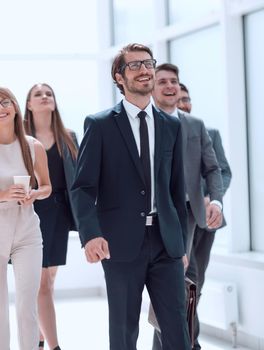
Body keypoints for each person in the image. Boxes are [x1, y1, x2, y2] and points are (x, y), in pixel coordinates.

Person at [72, 43, 191, 350]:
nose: (144, 70)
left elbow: (176, 190)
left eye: (148, 63)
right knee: (124, 330)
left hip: (166, 242)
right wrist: (90, 234)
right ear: (119, 77)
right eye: (135, 65)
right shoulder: (99, 125)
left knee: (177, 328)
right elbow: (83, 187)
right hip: (119, 242)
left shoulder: (171, 126)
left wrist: (182, 243)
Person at [152, 63, 224, 350]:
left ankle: (185, 345)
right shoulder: (145, 123)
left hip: (189, 216)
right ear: (152, 87)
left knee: (187, 285)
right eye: (163, 82)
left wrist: (215, 200)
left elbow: (214, 168)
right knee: (170, 285)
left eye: (175, 82)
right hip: (155, 215)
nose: (170, 86)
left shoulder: (195, 125)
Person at [178, 82, 232, 350]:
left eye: (187, 99)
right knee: (184, 284)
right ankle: (190, 343)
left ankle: (174, 341)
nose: (184, 103)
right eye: (179, 99)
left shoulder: (208, 132)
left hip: (207, 221)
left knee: (194, 285)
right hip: (179, 219)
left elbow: (222, 171)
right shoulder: (165, 134)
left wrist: (215, 198)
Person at [24, 83, 78, 350]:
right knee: (42, 283)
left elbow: (78, 179)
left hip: (59, 213)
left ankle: (40, 337)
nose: (45, 97)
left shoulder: (68, 136)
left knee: (49, 280)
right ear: (29, 105)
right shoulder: (19, 137)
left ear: (54, 103)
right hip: (29, 212)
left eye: (49, 94)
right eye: (38, 94)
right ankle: (55, 346)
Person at [0, 87, 51, 350]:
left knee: (26, 305)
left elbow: (46, 186)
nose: (1, 108)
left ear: (16, 106)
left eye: (5, 101)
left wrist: (34, 194)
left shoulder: (33, 146)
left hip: (27, 231)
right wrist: (4, 194)